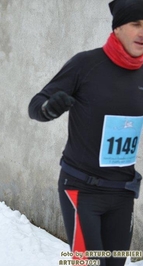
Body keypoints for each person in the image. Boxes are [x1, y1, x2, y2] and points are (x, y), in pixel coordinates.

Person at [28, 0, 143, 265]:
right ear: (117, 28)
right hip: (81, 190)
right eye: (135, 24)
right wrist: (49, 108)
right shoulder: (86, 64)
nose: (142, 32)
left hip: (123, 192)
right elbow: (36, 105)